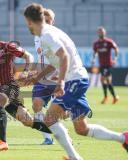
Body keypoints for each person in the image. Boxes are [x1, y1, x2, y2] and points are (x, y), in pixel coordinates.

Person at [24, 3, 128, 160]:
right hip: (77, 79)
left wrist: (60, 83)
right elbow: (55, 61)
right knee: (81, 128)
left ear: (29, 21)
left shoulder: (46, 34)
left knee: (49, 119)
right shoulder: (49, 33)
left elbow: (64, 56)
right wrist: (36, 77)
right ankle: (124, 138)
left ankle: (74, 157)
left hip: (74, 80)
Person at [0, 20, 54, 151]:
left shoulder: (7, 46)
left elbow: (28, 56)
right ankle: (59, 133)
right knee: (28, 121)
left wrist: (26, 71)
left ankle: (2, 142)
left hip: (10, 86)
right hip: (0, 92)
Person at [33, 8, 56, 145]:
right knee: (36, 106)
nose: (46, 23)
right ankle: (48, 138)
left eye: (49, 20)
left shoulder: (55, 37)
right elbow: (42, 58)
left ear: (53, 21)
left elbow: (55, 63)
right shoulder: (37, 36)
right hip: (42, 77)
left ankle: (64, 134)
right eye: (44, 20)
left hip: (57, 77)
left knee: (60, 112)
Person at [92, 26, 119, 104]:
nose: (101, 33)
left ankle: (106, 97)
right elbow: (95, 52)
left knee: (103, 79)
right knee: (107, 81)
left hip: (108, 64)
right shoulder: (96, 44)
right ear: (98, 33)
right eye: (100, 32)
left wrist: (115, 58)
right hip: (101, 65)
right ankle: (114, 97)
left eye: (102, 32)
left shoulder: (109, 42)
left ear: (105, 33)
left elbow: (116, 48)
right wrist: (94, 59)